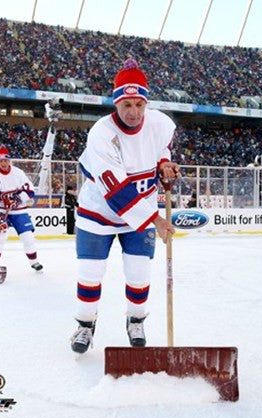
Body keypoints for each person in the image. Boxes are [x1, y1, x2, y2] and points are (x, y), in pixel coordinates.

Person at [70, 58, 180, 354]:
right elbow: (116, 191)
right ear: (116, 104)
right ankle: (85, 324)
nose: (134, 112)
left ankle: (136, 320)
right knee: (90, 273)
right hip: (99, 212)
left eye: (139, 105)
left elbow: (161, 147)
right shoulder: (101, 134)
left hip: (140, 212)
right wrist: (155, 220)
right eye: (126, 105)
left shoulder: (158, 122)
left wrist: (164, 163)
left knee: (139, 273)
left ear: (146, 103)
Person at [0, 145, 43, 271]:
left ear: (9, 160)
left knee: (28, 236)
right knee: (1, 234)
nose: (3, 163)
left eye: (5, 160)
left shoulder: (18, 173)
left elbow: (30, 190)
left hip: (19, 210)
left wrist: (19, 198)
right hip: (1, 211)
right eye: (0, 161)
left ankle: (34, 262)